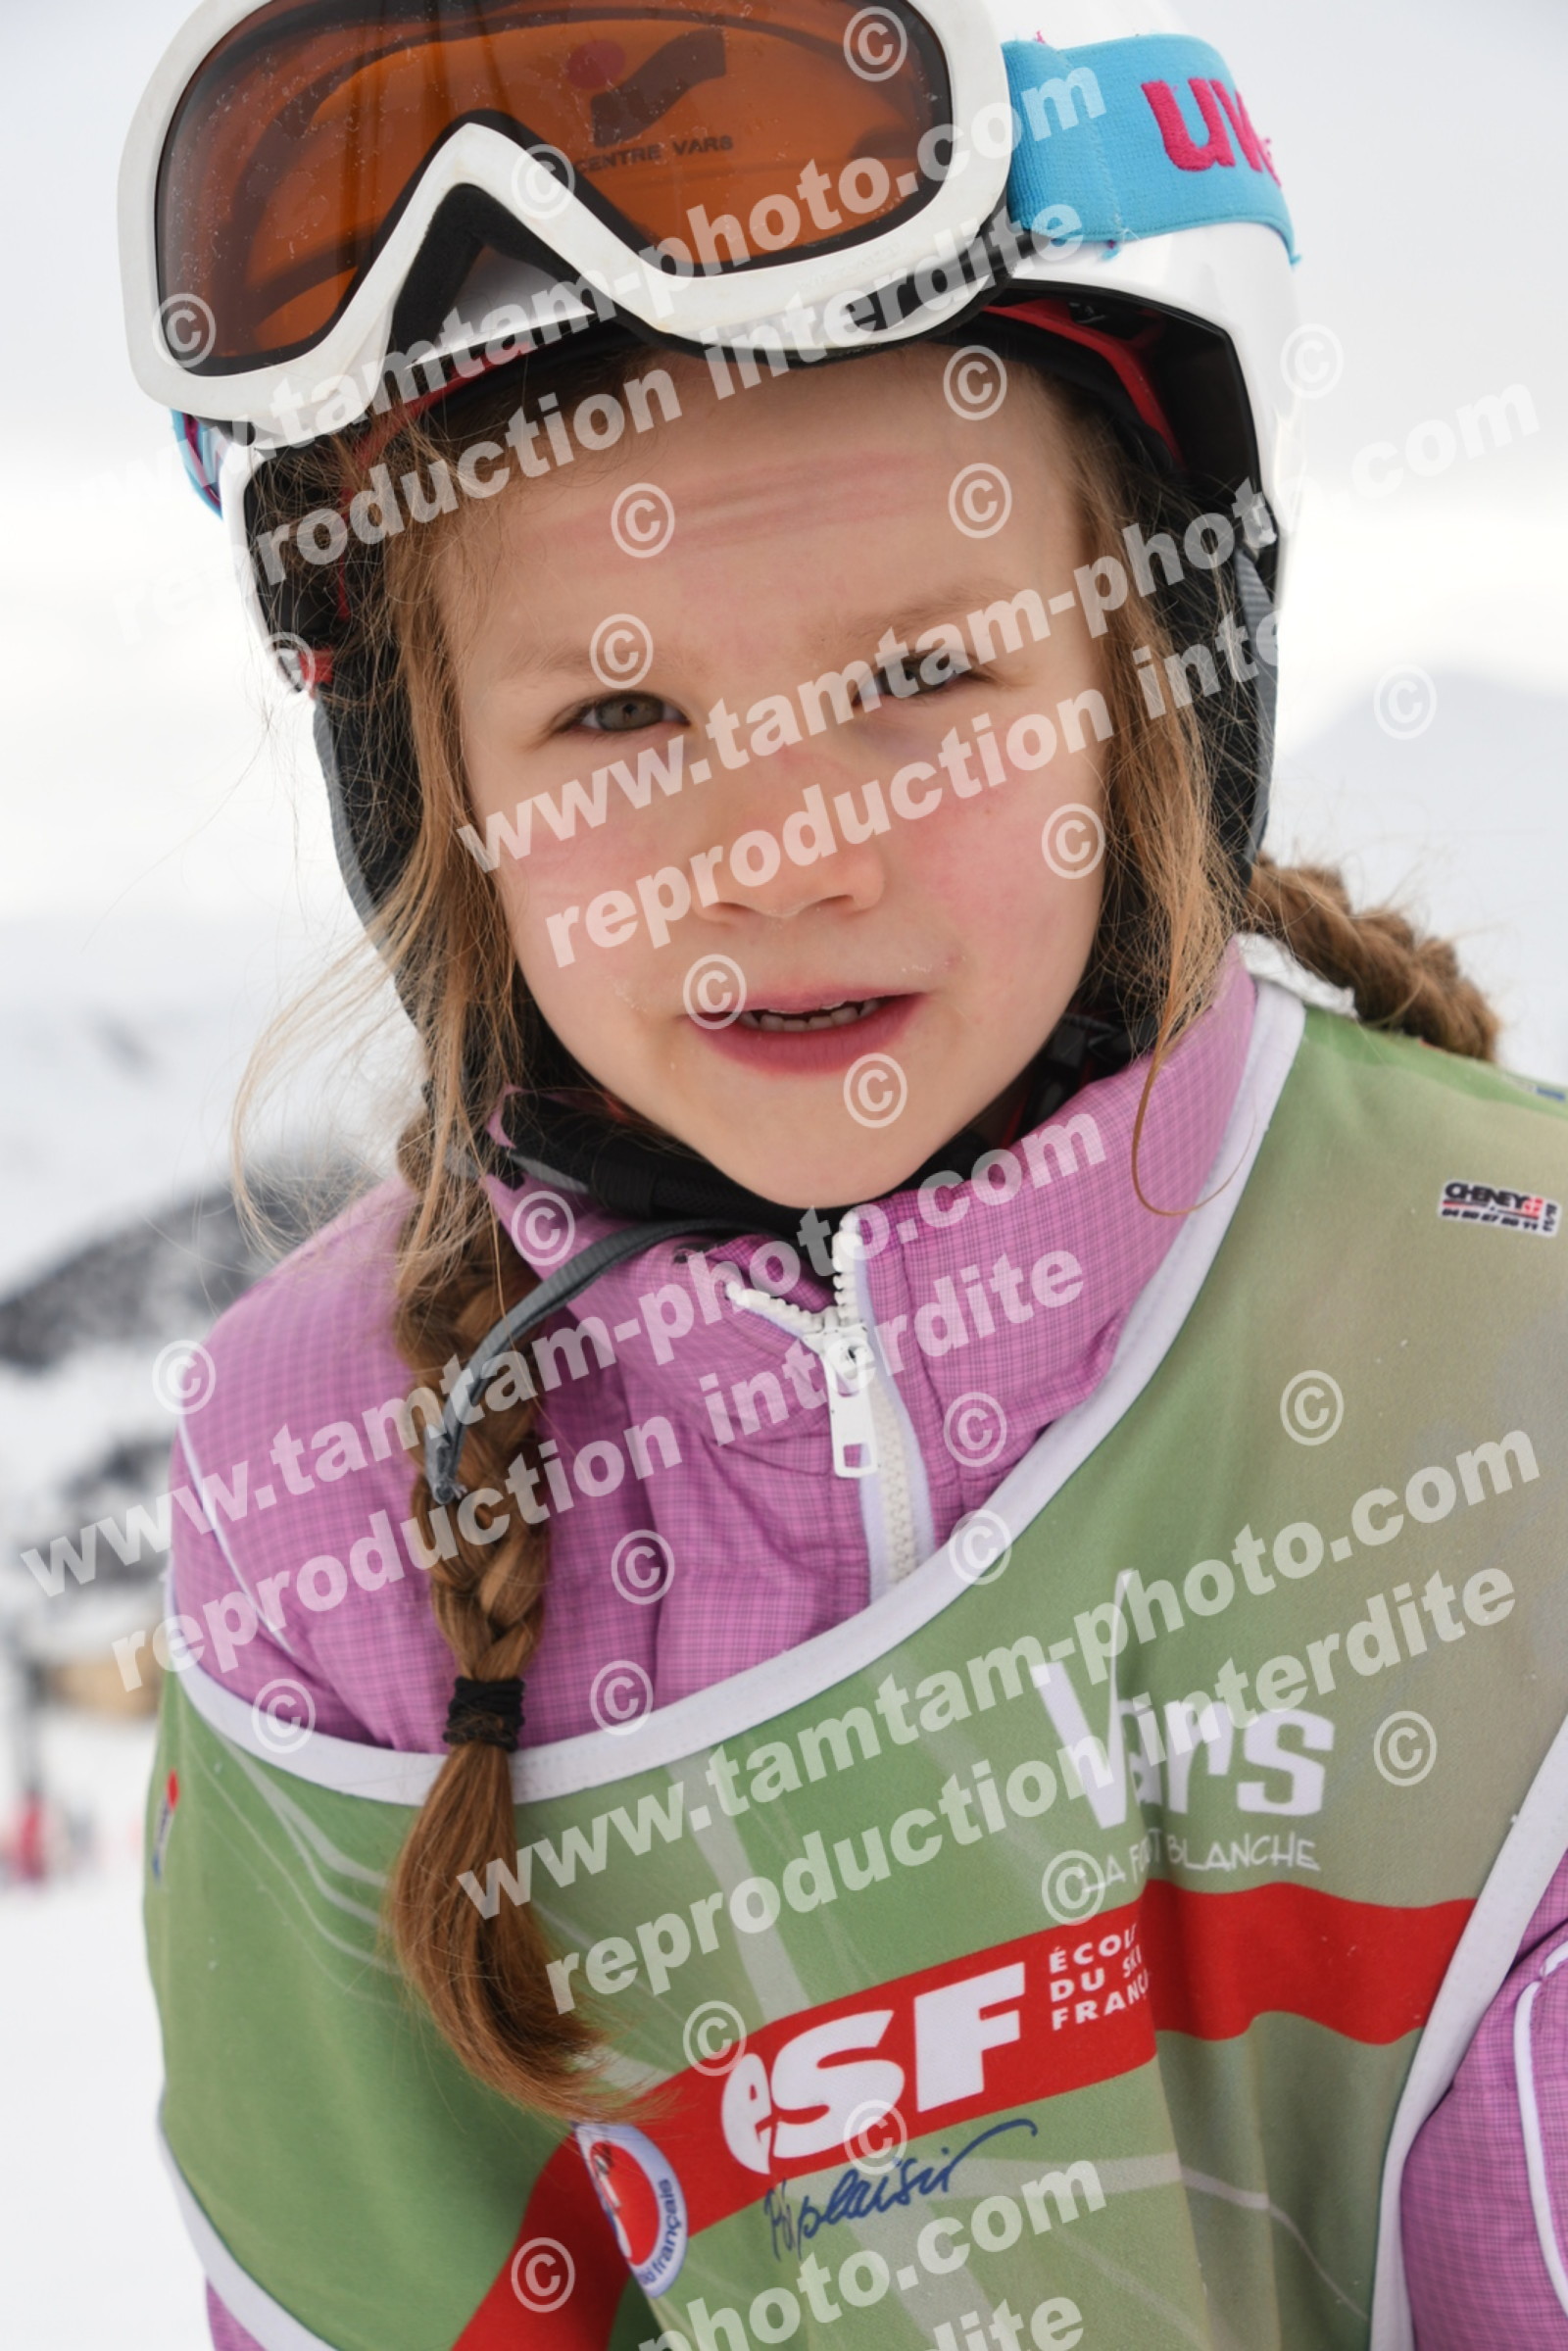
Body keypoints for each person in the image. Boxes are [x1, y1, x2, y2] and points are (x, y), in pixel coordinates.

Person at [119, 4, 1568, 2348]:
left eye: (923, 680)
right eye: (615, 714)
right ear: (435, 794)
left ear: (1146, 686)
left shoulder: (1502, 1332)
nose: (779, 854)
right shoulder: (330, 1492)